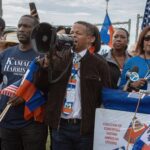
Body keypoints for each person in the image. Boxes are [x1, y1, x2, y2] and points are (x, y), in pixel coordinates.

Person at [34, 21, 111, 150]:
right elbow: (41, 85)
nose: (73, 36)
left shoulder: (100, 64)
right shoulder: (58, 58)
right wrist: (46, 65)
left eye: (78, 33)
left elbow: (106, 94)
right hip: (60, 127)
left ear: (90, 39)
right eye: (72, 33)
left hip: (85, 128)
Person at [0, 15, 47, 150]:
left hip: (32, 121)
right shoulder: (5, 54)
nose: (21, 29)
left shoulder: (44, 56)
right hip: (7, 119)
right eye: (19, 25)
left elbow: (49, 88)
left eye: (26, 26)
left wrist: (25, 95)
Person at [119, 26, 150, 91]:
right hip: (137, 100)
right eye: (147, 38)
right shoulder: (131, 62)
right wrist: (132, 85)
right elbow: (121, 87)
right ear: (142, 41)